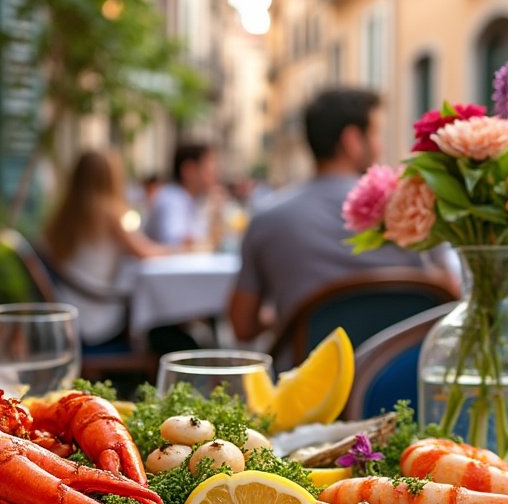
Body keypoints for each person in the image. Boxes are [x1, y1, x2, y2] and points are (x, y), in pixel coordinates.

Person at [228, 87, 450, 345]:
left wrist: (289, 316)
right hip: (403, 380)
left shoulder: (267, 218)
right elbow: (452, 300)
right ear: (352, 140)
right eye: (377, 133)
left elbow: (242, 326)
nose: (381, 146)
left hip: (309, 382)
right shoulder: (416, 210)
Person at [42, 149, 172, 347]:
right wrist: (182, 249)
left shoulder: (63, 214)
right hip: (95, 317)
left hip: (67, 308)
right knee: (164, 329)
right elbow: (146, 253)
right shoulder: (110, 214)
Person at [144, 141, 224, 250]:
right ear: (188, 170)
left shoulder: (194, 200)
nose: (215, 176)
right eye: (209, 170)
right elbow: (177, 243)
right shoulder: (171, 199)